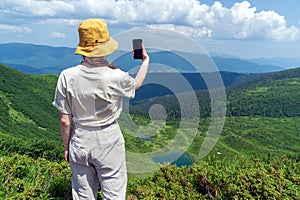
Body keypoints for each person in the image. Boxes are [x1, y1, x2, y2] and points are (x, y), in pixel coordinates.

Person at [52, 18, 149, 200]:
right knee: (113, 194)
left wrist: (67, 146)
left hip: (79, 138)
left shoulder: (66, 76)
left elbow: (64, 119)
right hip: (108, 138)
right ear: (105, 46)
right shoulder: (115, 76)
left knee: (82, 195)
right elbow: (136, 84)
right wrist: (145, 60)